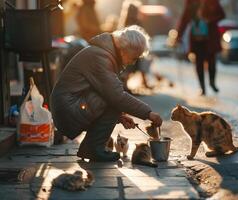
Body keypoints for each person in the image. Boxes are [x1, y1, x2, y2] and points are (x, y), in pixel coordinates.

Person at [50, 25, 162, 162]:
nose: (133, 62)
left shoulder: (103, 54)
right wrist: (149, 113)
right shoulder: (100, 57)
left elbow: (105, 92)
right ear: (124, 50)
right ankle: (93, 149)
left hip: (71, 104)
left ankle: (90, 148)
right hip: (68, 109)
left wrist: (120, 116)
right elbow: (116, 96)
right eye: (134, 58)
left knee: (115, 102)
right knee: (115, 101)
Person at [176, 0, 225, 95]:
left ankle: (212, 82)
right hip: (196, 38)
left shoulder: (213, 2)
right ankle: (202, 87)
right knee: (199, 63)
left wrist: (209, 19)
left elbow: (222, 15)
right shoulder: (190, 2)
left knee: (211, 62)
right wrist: (179, 35)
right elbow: (185, 19)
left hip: (210, 38)